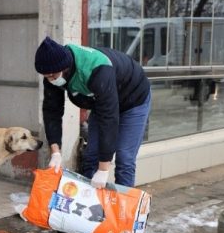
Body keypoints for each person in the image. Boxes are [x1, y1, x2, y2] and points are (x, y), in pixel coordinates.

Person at [34, 36, 151, 188]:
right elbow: (51, 111)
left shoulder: (97, 69)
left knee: (124, 159)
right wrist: (55, 151)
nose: (50, 80)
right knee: (91, 155)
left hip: (134, 99)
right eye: (46, 76)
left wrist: (103, 170)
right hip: (102, 101)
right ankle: (88, 201)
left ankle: (123, 209)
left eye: (53, 76)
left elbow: (109, 119)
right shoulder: (52, 71)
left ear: (65, 67)